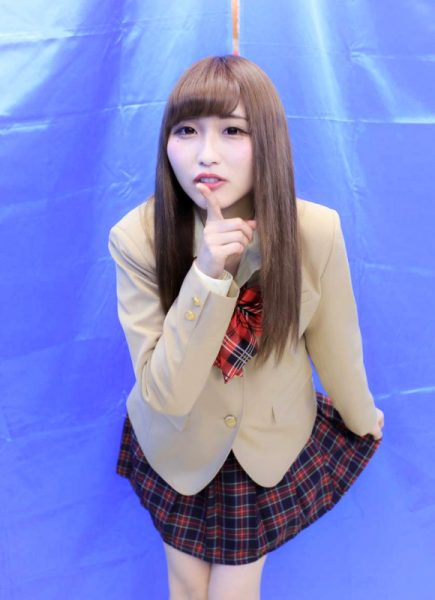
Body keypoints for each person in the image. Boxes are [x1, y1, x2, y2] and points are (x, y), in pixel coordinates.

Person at [108, 55, 385, 600]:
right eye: (186, 130)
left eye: (233, 131)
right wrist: (207, 276)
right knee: (186, 584)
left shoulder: (315, 231)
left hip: (266, 443)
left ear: (269, 140)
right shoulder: (137, 238)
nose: (205, 154)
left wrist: (361, 416)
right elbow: (165, 393)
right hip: (177, 441)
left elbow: (338, 345)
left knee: (236, 589)